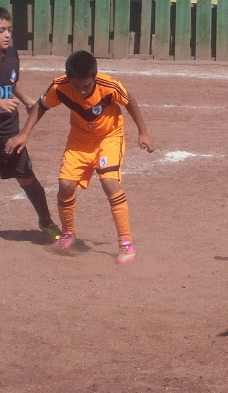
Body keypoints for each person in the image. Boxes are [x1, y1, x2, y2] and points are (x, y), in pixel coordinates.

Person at [4, 50, 155, 263]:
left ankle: (126, 242)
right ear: (68, 79)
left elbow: (130, 102)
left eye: (86, 85)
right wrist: (25, 134)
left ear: (94, 77)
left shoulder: (109, 85)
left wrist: (143, 132)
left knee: (109, 182)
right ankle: (68, 234)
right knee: (65, 184)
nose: (82, 91)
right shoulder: (59, 87)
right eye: (76, 86)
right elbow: (41, 106)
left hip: (109, 138)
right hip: (79, 140)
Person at [0, 7, 61, 241]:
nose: (7, 35)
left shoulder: (12, 54)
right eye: (1, 31)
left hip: (9, 133)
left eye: (9, 30)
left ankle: (45, 221)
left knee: (26, 177)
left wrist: (27, 101)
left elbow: (12, 81)